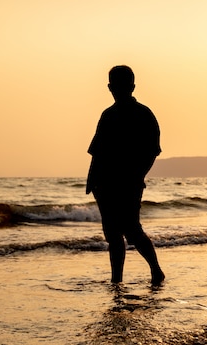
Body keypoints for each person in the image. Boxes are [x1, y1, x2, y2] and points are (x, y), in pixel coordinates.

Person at [86, 65, 165, 285]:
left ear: (132, 87)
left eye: (122, 85)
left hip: (128, 183)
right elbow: (97, 152)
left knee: (132, 230)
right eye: (115, 85)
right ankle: (116, 280)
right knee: (112, 234)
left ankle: (156, 270)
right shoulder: (108, 115)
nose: (117, 89)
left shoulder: (144, 114)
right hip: (104, 184)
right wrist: (91, 182)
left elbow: (152, 151)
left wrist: (137, 176)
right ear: (110, 87)